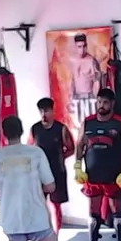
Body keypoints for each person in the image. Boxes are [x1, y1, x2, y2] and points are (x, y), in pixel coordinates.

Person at [76, 88, 121, 241]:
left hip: (114, 175)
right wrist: (77, 166)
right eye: (99, 102)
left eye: (105, 102)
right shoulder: (88, 122)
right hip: (93, 174)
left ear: (112, 104)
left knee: (117, 209)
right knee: (93, 210)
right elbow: (79, 145)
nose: (101, 105)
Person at [29, 99, 74, 232]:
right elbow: (29, 148)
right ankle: (43, 231)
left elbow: (71, 148)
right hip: (39, 173)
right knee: (39, 204)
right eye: (41, 111)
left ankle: (56, 234)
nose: (44, 114)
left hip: (57, 171)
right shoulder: (35, 129)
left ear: (52, 111)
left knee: (56, 205)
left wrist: (60, 158)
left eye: (47, 111)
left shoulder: (61, 129)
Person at [69, 33, 104, 125]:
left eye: (84, 46)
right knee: (78, 124)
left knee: (90, 123)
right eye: (79, 46)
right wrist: (71, 97)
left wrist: (95, 98)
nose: (82, 49)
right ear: (75, 46)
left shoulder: (91, 61)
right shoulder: (72, 61)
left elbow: (97, 81)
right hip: (76, 97)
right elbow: (71, 80)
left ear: (86, 46)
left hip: (90, 97)